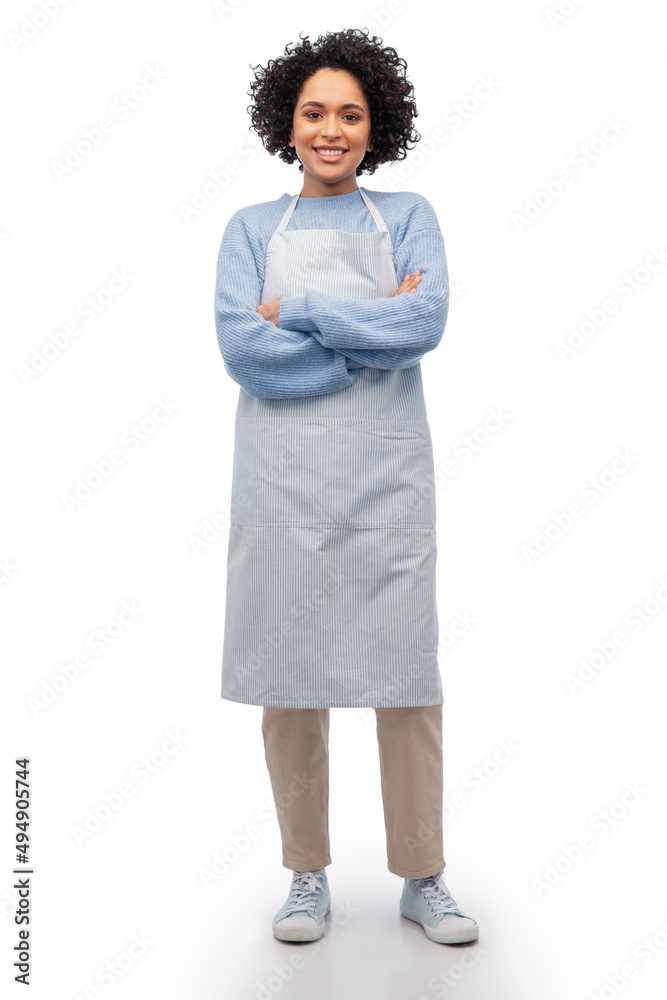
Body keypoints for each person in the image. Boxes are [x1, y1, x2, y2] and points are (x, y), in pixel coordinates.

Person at [213, 27, 478, 946]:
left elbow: (426, 320)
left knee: (407, 681)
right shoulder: (250, 230)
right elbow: (247, 354)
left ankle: (423, 874)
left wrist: (310, 313)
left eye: (350, 114)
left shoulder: (409, 216)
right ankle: (305, 875)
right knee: (291, 683)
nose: (331, 129)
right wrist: (371, 334)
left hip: (385, 480)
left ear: (378, 126)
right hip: (282, 489)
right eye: (314, 112)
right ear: (286, 123)